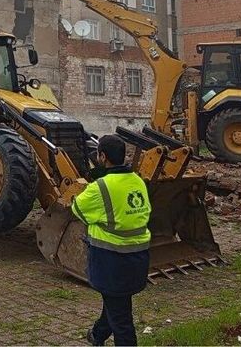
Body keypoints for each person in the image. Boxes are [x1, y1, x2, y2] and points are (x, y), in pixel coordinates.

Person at [72, 134, 151, 346]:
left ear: (102, 156)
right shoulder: (138, 182)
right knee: (117, 303)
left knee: (122, 321)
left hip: (111, 262)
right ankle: (97, 335)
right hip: (138, 259)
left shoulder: (101, 187)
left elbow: (77, 209)